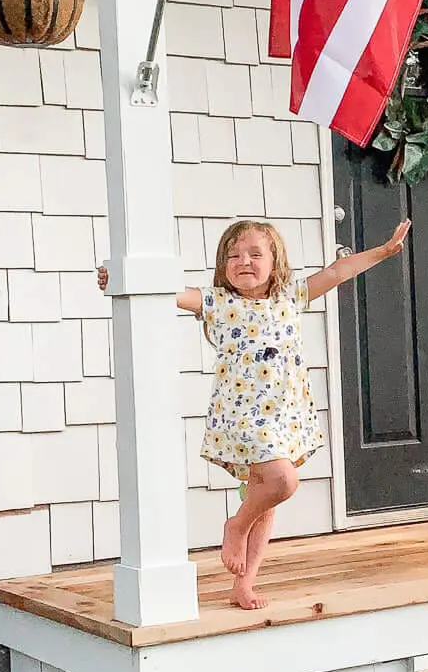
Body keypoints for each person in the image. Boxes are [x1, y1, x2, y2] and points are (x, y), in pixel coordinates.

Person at [100, 216, 409, 609]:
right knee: (281, 482)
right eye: (233, 255)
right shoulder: (217, 302)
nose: (243, 260)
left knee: (263, 495)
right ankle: (236, 525)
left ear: (275, 262)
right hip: (243, 418)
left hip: (285, 416)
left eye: (254, 254)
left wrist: (383, 251)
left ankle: (244, 584)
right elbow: (163, 290)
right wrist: (117, 278)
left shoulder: (290, 297)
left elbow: (337, 271)